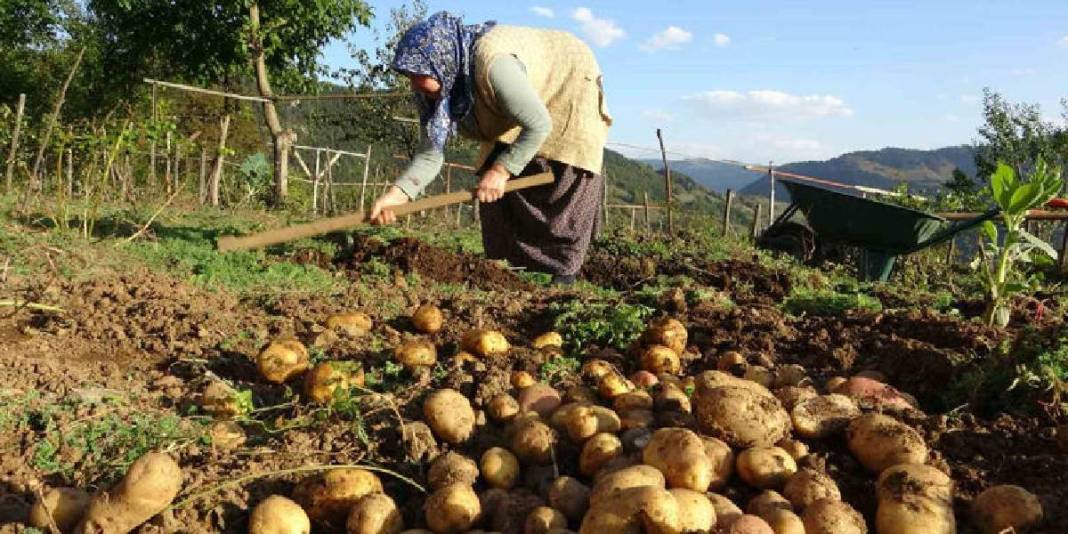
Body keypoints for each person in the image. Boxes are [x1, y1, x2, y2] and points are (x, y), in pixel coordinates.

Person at [369, 11, 613, 285]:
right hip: (521, 99)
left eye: (417, 74)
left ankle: (563, 278)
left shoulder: (493, 67)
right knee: (495, 186)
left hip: (570, 77)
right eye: (408, 74)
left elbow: (538, 124)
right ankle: (505, 274)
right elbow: (430, 153)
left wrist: (501, 170)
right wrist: (397, 195)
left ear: (440, 62)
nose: (413, 83)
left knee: (565, 177)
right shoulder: (433, 87)